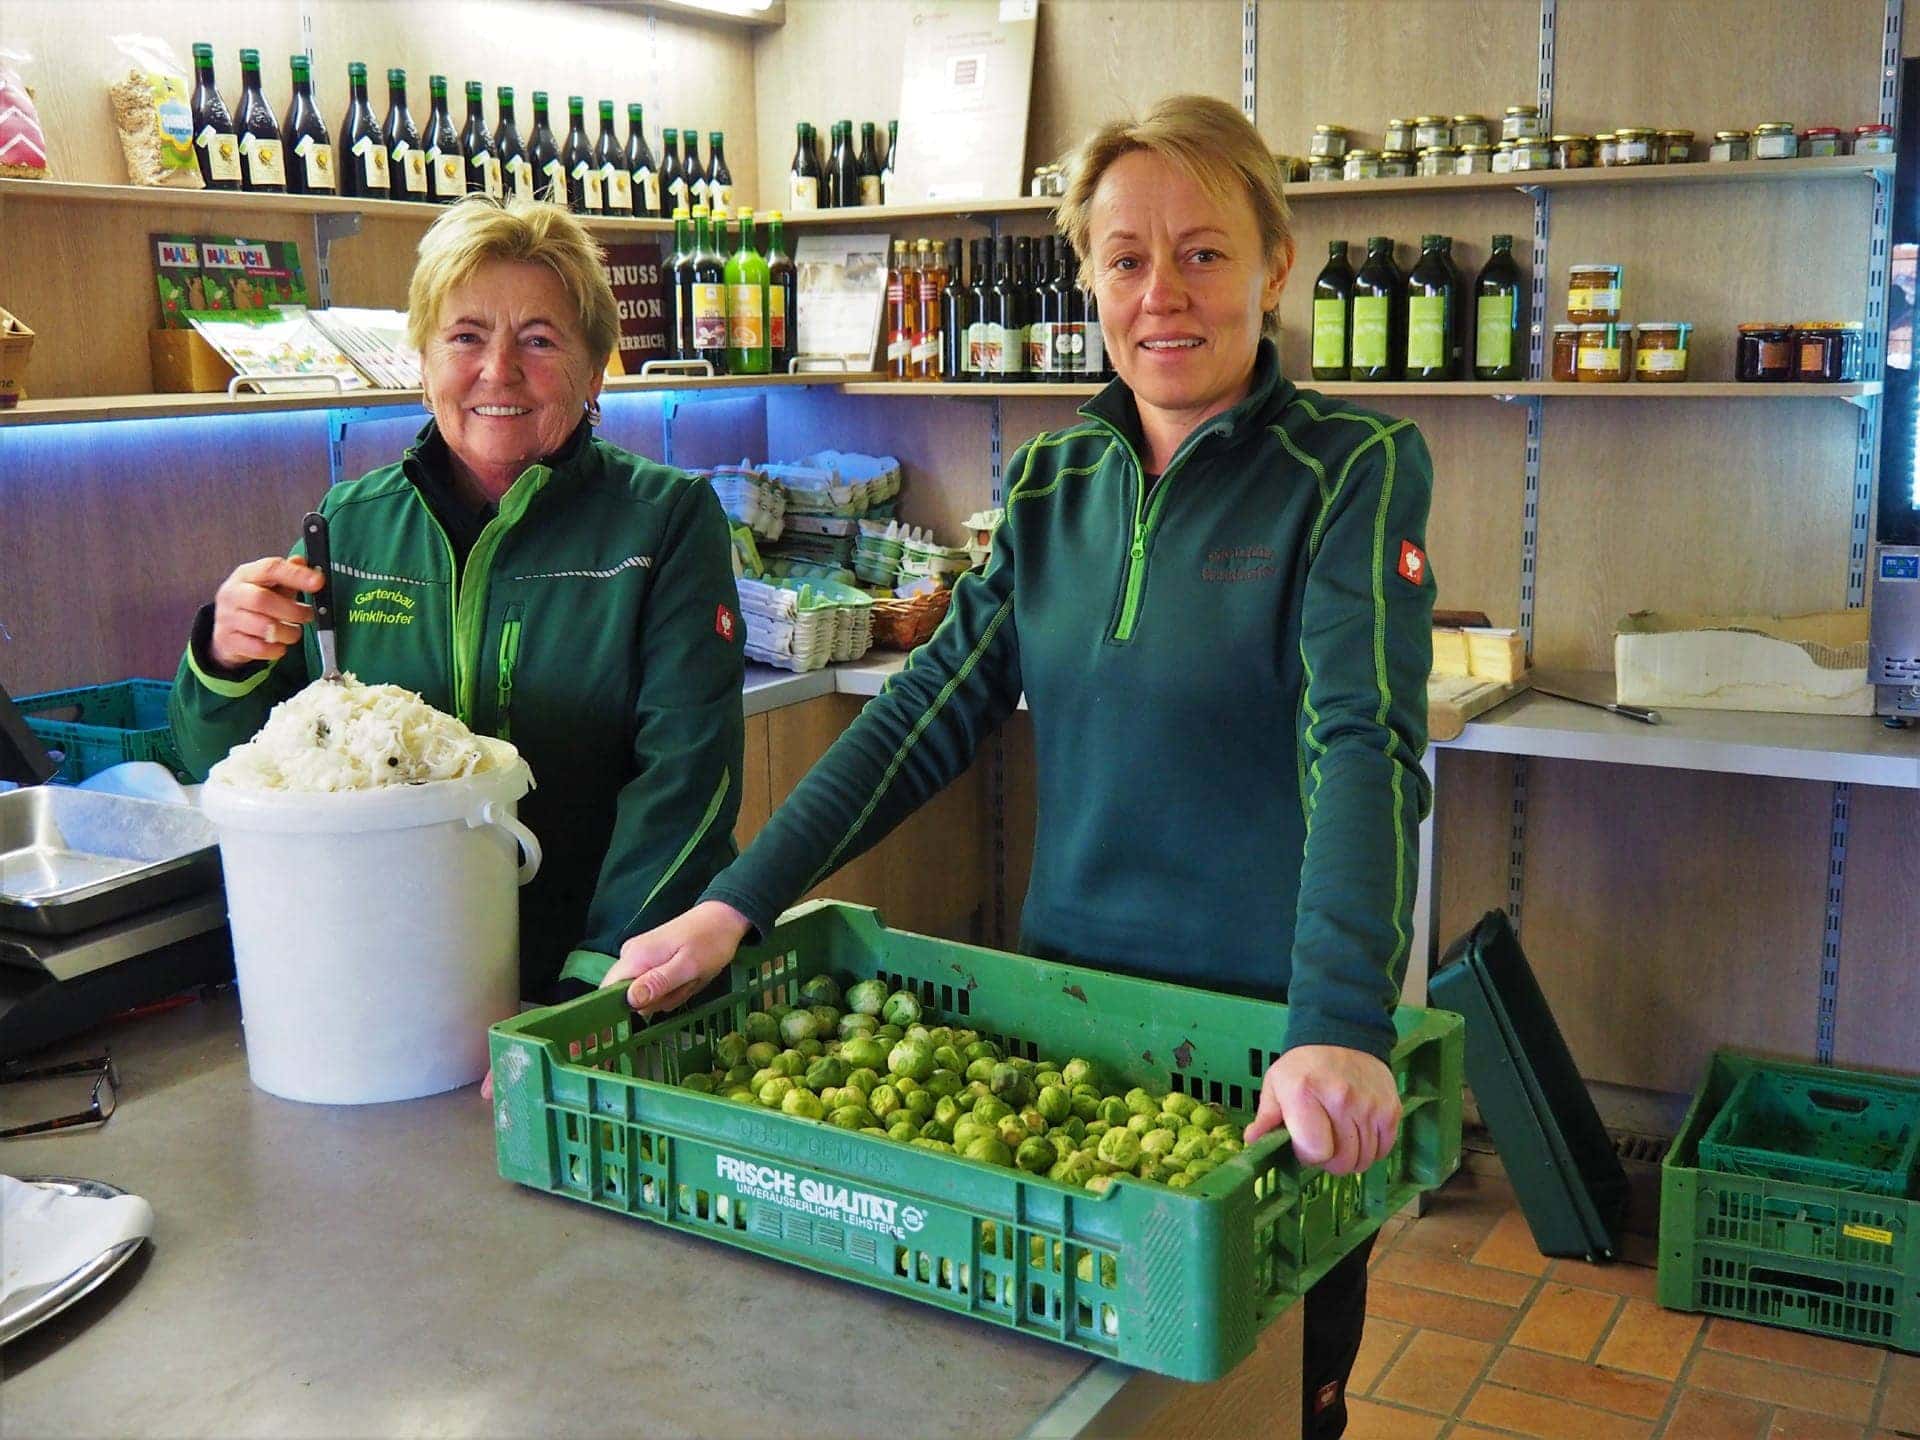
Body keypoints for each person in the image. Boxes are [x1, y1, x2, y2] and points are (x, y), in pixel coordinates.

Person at [611, 95, 1433, 1439]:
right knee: (1085, 1402)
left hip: (1266, 1057)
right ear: (1089, 278)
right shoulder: (1054, 485)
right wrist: (733, 904)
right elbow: (925, 711)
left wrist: (1338, 1018)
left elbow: (1364, 740)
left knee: (1276, 1404)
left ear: (1275, 266)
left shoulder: (1350, 471)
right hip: (1069, 1029)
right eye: (1125, 258)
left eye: (1204, 253)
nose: (1162, 294)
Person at [169, 196, 746, 1003]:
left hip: (600, 976)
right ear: (424, 357)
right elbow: (237, 769)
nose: (498, 371)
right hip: (388, 982)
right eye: (466, 336)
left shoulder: (665, 522)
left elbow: (687, 787)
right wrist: (226, 656)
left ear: (594, 368)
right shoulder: (351, 526)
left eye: (539, 340)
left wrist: (596, 992)